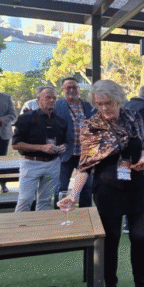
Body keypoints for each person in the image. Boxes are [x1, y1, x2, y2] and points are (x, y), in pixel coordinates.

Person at [59, 79, 144, 287]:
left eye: (109, 103)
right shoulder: (91, 126)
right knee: (111, 241)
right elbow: (85, 165)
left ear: (119, 100)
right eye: (99, 104)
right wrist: (73, 195)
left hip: (135, 186)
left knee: (139, 238)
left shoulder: (133, 117)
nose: (104, 108)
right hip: (108, 190)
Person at [11, 85, 66, 213]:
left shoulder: (60, 121)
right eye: (48, 97)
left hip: (53, 164)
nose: (52, 100)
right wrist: (41, 147)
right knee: (25, 199)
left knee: (45, 201)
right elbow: (15, 144)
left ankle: (43, 226)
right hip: (31, 163)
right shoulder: (26, 118)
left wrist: (63, 146)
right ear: (38, 99)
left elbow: (65, 142)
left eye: (54, 98)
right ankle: (19, 225)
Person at [55, 77, 95, 207]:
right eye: (68, 87)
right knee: (61, 187)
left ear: (78, 89)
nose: (71, 90)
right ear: (63, 89)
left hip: (85, 154)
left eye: (74, 87)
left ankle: (86, 214)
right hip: (65, 154)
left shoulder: (88, 106)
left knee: (87, 187)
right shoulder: (57, 106)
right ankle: (59, 214)